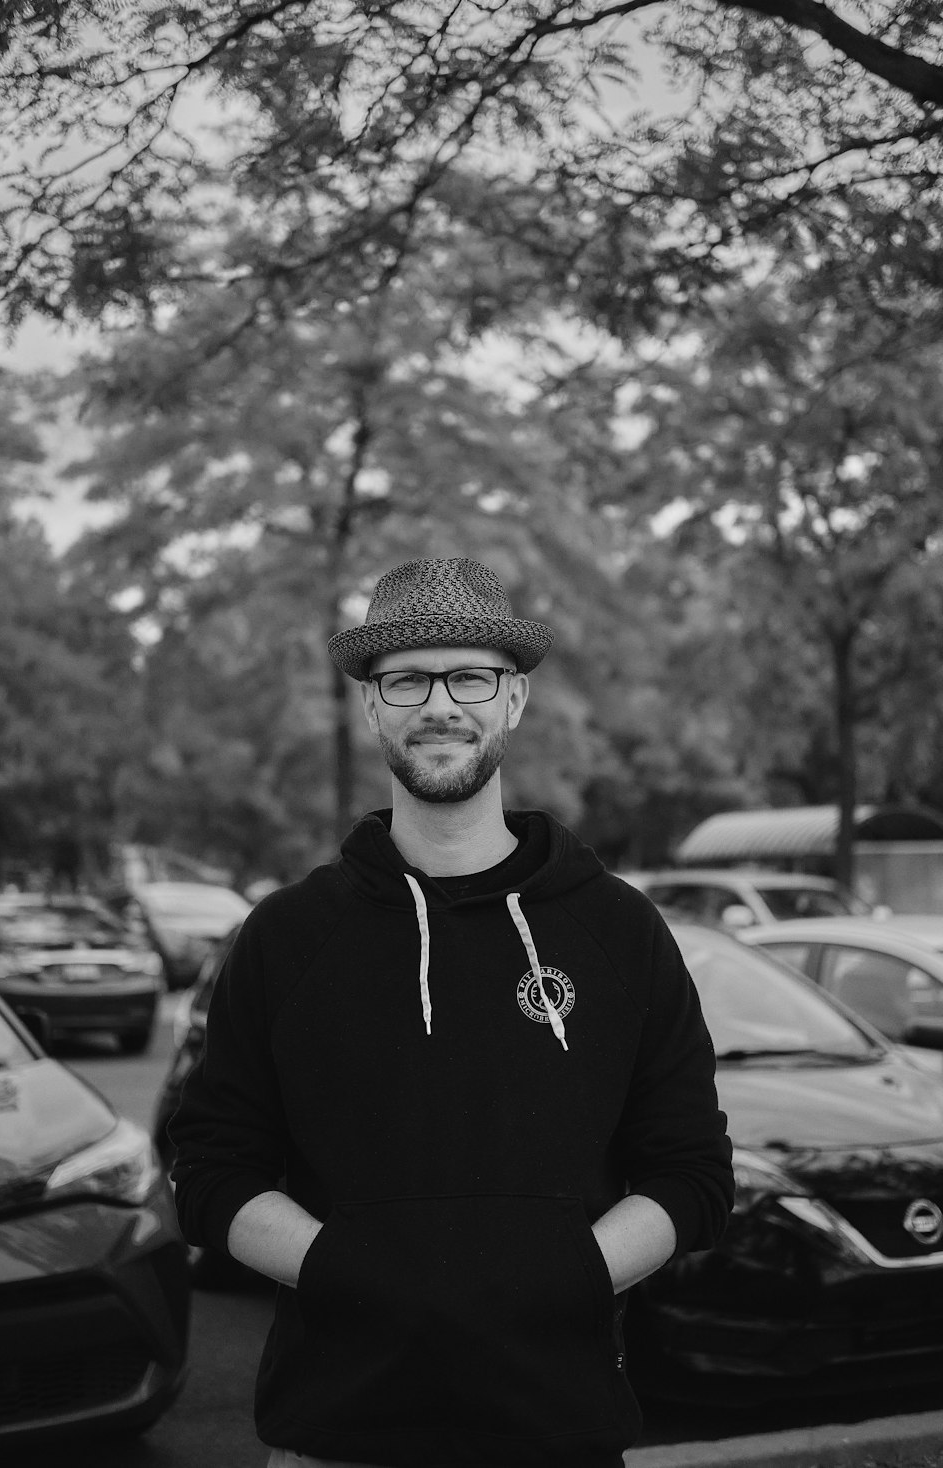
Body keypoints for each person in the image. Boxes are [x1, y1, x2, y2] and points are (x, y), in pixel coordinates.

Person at [170, 555, 734, 1468]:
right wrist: (352, 1274)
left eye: (470, 675)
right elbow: (210, 1170)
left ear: (514, 700)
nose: (440, 704)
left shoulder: (618, 930)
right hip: (335, 1439)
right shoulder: (285, 936)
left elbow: (693, 1174)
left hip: (560, 1433)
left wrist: (563, 1276)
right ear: (370, 705)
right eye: (407, 679)